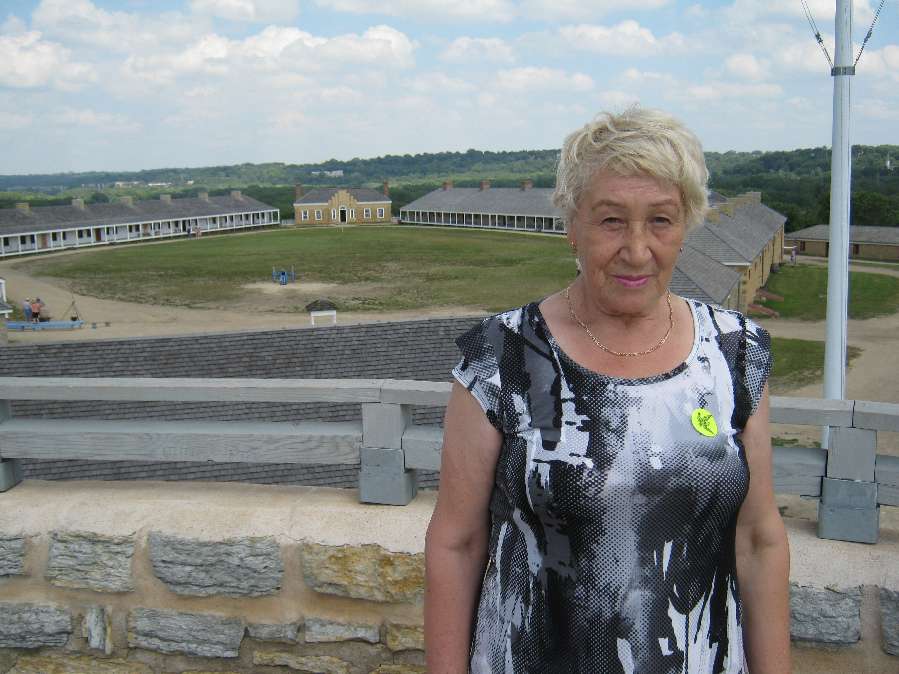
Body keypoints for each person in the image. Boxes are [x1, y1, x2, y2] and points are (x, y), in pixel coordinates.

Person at [425, 108, 790, 674]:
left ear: (686, 225)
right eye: (612, 221)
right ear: (572, 225)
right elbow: (457, 543)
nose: (637, 250)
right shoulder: (502, 357)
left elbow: (758, 540)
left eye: (661, 221)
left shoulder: (735, 354)